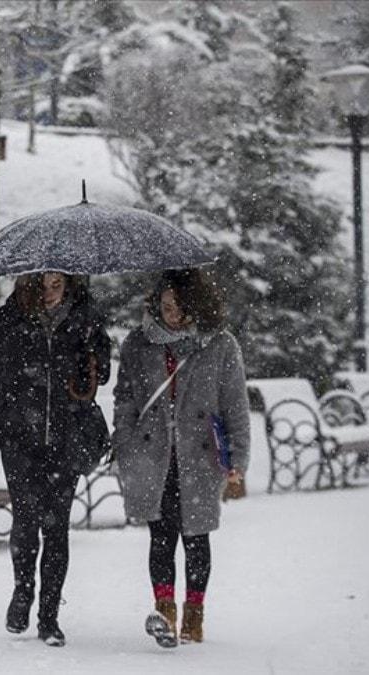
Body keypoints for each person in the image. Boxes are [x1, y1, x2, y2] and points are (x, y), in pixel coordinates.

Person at [0, 272, 111, 647]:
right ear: (28, 283)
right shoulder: (8, 318)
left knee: (57, 526)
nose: (48, 294)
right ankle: (22, 592)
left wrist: (93, 344)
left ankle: (50, 616)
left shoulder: (85, 318)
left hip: (67, 437)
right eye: (42, 285)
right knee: (27, 519)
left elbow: (103, 375)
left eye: (56, 286)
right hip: (19, 438)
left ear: (69, 285)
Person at [111, 269, 249, 648]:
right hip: (152, 455)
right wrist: (124, 444)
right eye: (166, 306)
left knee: (196, 536)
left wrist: (238, 459)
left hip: (200, 457)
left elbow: (236, 406)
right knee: (160, 535)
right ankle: (165, 612)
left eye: (179, 307)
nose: (171, 314)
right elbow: (124, 400)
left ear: (196, 306)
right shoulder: (138, 343)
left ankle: (194, 615)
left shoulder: (220, 345)